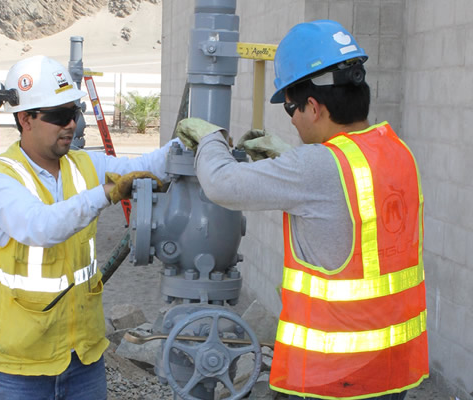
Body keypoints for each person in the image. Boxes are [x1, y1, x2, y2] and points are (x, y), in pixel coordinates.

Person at [176, 20, 428, 400]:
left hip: (331, 378)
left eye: (291, 107)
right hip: (389, 369)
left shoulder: (317, 167)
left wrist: (211, 139)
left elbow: (222, 184)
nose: (291, 119)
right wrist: (290, 159)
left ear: (314, 106)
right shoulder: (396, 152)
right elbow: (345, 198)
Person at [0, 55, 177, 400]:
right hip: (20, 366)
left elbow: (142, 166)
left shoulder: (83, 164)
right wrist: (109, 192)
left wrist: (187, 144)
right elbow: (41, 226)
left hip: (83, 357)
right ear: (25, 119)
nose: (70, 124)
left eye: (74, 112)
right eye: (57, 116)